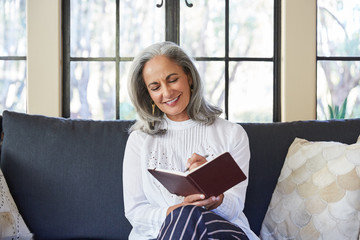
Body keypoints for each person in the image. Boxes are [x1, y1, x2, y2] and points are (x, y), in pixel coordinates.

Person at [123, 41, 259, 240]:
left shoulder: (232, 134)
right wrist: (177, 211)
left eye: (172, 79)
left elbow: (235, 207)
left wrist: (216, 195)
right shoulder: (139, 140)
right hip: (161, 234)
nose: (167, 93)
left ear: (189, 77)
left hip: (222, 233)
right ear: (148, 94)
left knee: (188, 217)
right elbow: (136, 212)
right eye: (155, 87)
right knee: (184, 217)